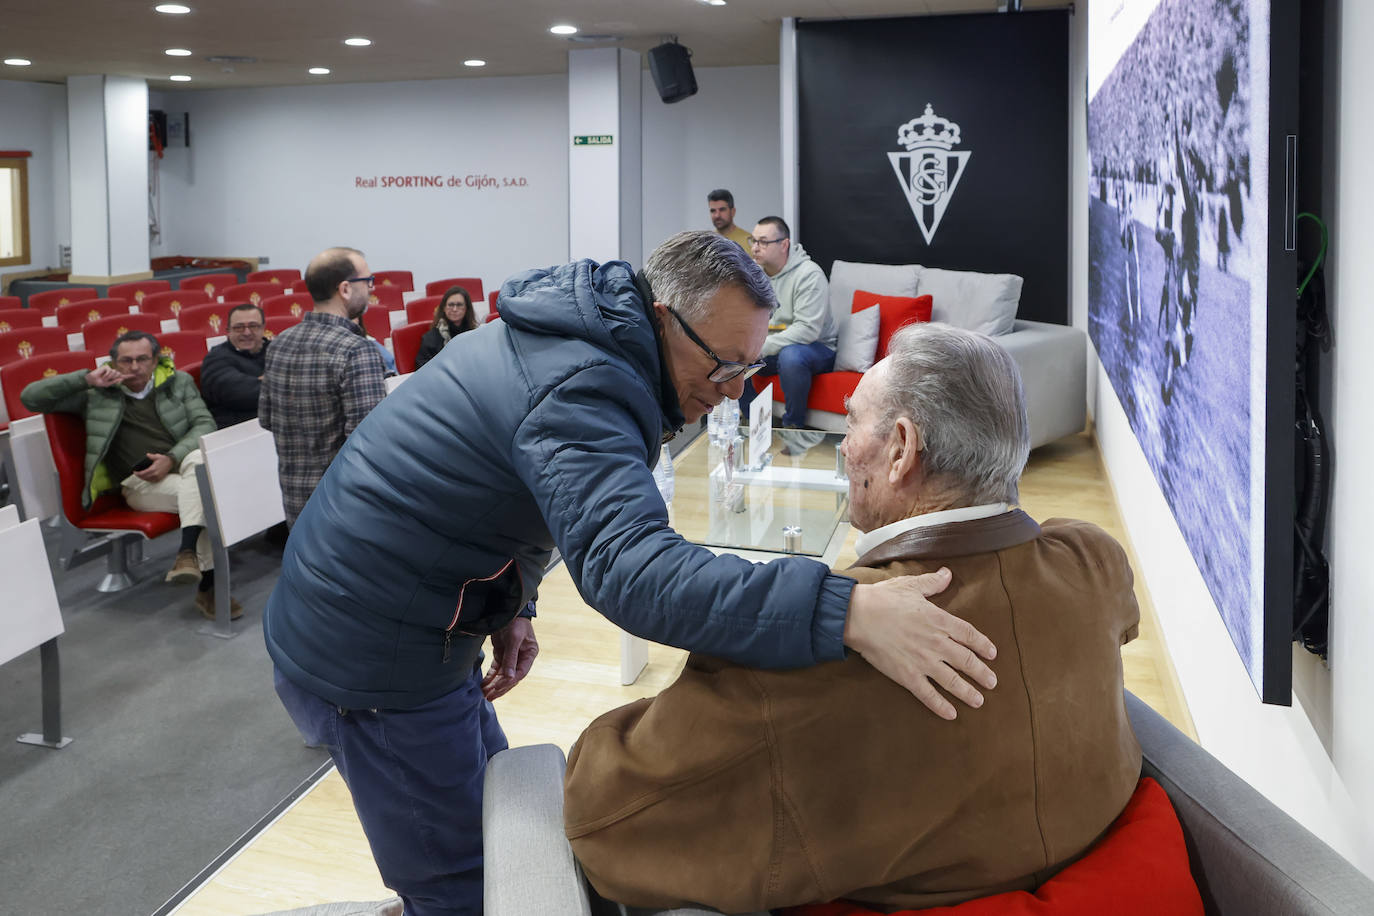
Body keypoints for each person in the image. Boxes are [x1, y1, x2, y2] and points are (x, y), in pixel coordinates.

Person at [265, 231, 998, 916]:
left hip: (408, 615)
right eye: (724, 366)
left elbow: (510, 491)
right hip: (368, 649)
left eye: (750, 366)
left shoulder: (583, 343)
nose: (735, 389)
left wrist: (512, 605)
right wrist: (845, 611)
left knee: (500, 828)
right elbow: (629, 569)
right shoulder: (582, 384)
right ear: (661, 318)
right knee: (463, 878)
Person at [564, 323, 1142, 913]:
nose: (841, 443)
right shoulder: (1096, 563)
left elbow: (601, 817)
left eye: (852, 419)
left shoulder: (805, 661)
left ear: (901, 448)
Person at [21, 330, 241, 619]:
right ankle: (207, 586)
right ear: (113, 362)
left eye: (142, 359)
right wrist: (85, 379)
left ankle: (188, 556)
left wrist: (171, 457)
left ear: (155, 361)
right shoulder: (95, 394)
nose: (134, 367)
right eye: (125, 361)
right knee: (206, 492)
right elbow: (30, 398)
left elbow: (204, 424)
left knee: (199, 468)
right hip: (138, 485)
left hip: (182, 467)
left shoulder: (179, 382)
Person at [259, 246, 387, 527]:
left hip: (295, 504)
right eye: (368, 281)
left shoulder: (278, 344)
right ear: (344, 289)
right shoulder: (356, 350)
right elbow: (370, 444)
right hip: (346, 508)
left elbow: (267, 420)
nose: (371, 289)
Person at [737, 215, 838, 427]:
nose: (755, 247)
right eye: (753, 241)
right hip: (774, 347)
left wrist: (762, 347)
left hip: (816, 347)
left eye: (763, 242)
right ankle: (756, 424)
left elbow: (807, 330)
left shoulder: (809, 274)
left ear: (784, 244)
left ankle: (793, 428)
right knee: (734, 354)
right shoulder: (755, 275)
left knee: (791, 356)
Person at [199, 303, 269, 428]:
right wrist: (281, 382)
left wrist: (260, 381)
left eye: (253, 326)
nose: (247, 332)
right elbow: (240, 394)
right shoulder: (215, 358)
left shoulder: (278, 350)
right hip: (237, 429)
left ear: (263, 328)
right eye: (239, 327)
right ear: (228, 331)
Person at [413, 285, 478, 370]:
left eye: (459, 305)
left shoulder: (475, 334)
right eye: (451, 305)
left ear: (466, 308)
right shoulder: (431, 338)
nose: (454, 309)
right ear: (444, 308)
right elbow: (422, 367)